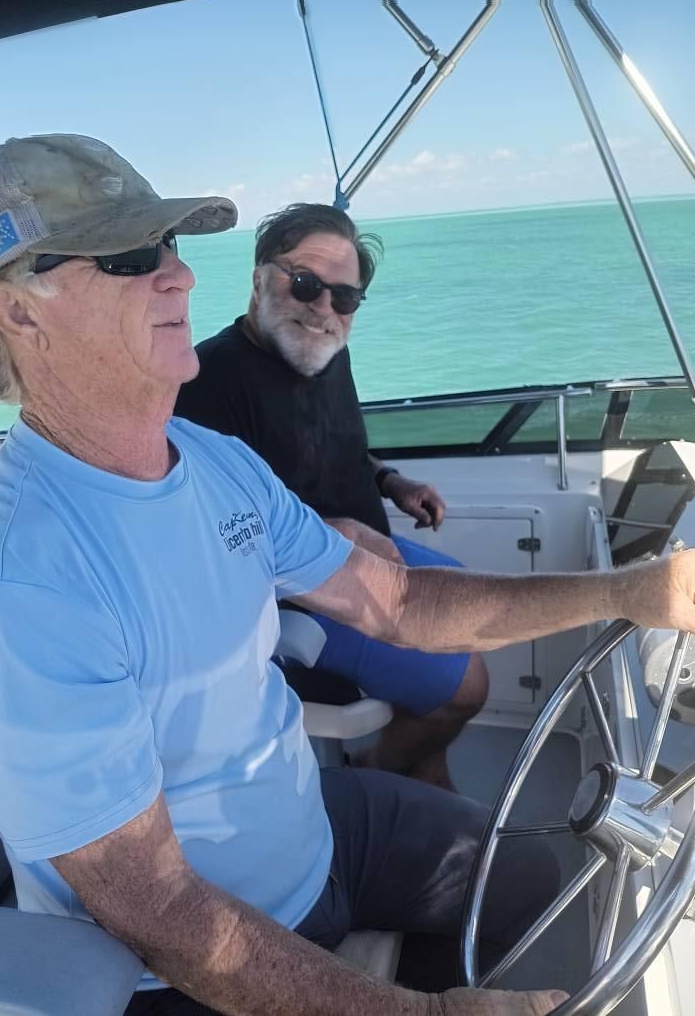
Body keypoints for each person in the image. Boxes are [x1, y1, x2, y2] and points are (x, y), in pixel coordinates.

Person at [0, 134, 695, 1016]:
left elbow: (398, 601)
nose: (181, 277)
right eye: (129, 257)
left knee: (532, 878)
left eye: (171, 246)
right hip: (176, 963)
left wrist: (635, 592)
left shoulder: (212, 461)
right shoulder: (10, 577)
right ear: (16, 312)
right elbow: (159, 910)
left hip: (314, 821)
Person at [175, 203, 488, 789]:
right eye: (305, 284)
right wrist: (336, 533)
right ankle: (373, 773)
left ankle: (421, 766)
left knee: (471, 607)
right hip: (305, 594)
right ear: (260, 279)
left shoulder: (324, 351)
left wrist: (391, 481)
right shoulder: (207, 382)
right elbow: (204, 529)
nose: (324, 309)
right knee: (467, 688)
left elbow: (337, 444)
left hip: (372, 555)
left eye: (344, 297)